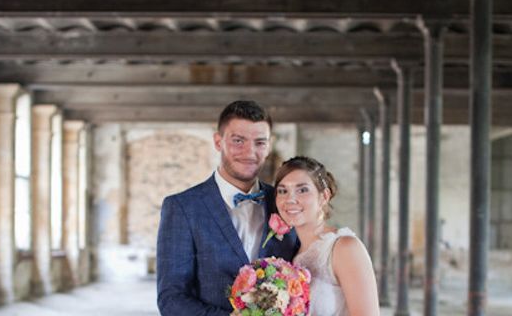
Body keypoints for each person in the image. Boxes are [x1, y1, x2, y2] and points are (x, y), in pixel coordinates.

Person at [156, 100, 299, 316]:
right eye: (238, 141)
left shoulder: (286, 203)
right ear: (218, 141)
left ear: (270, 145)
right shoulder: (182, 207)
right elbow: (171, 299)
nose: (250, 152)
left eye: (260, 142)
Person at [274, 156, 379, 316]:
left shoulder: (344, 247)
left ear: (324, 196)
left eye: (302, 190)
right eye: (283, 191)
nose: (290, 199)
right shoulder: (293, 255)